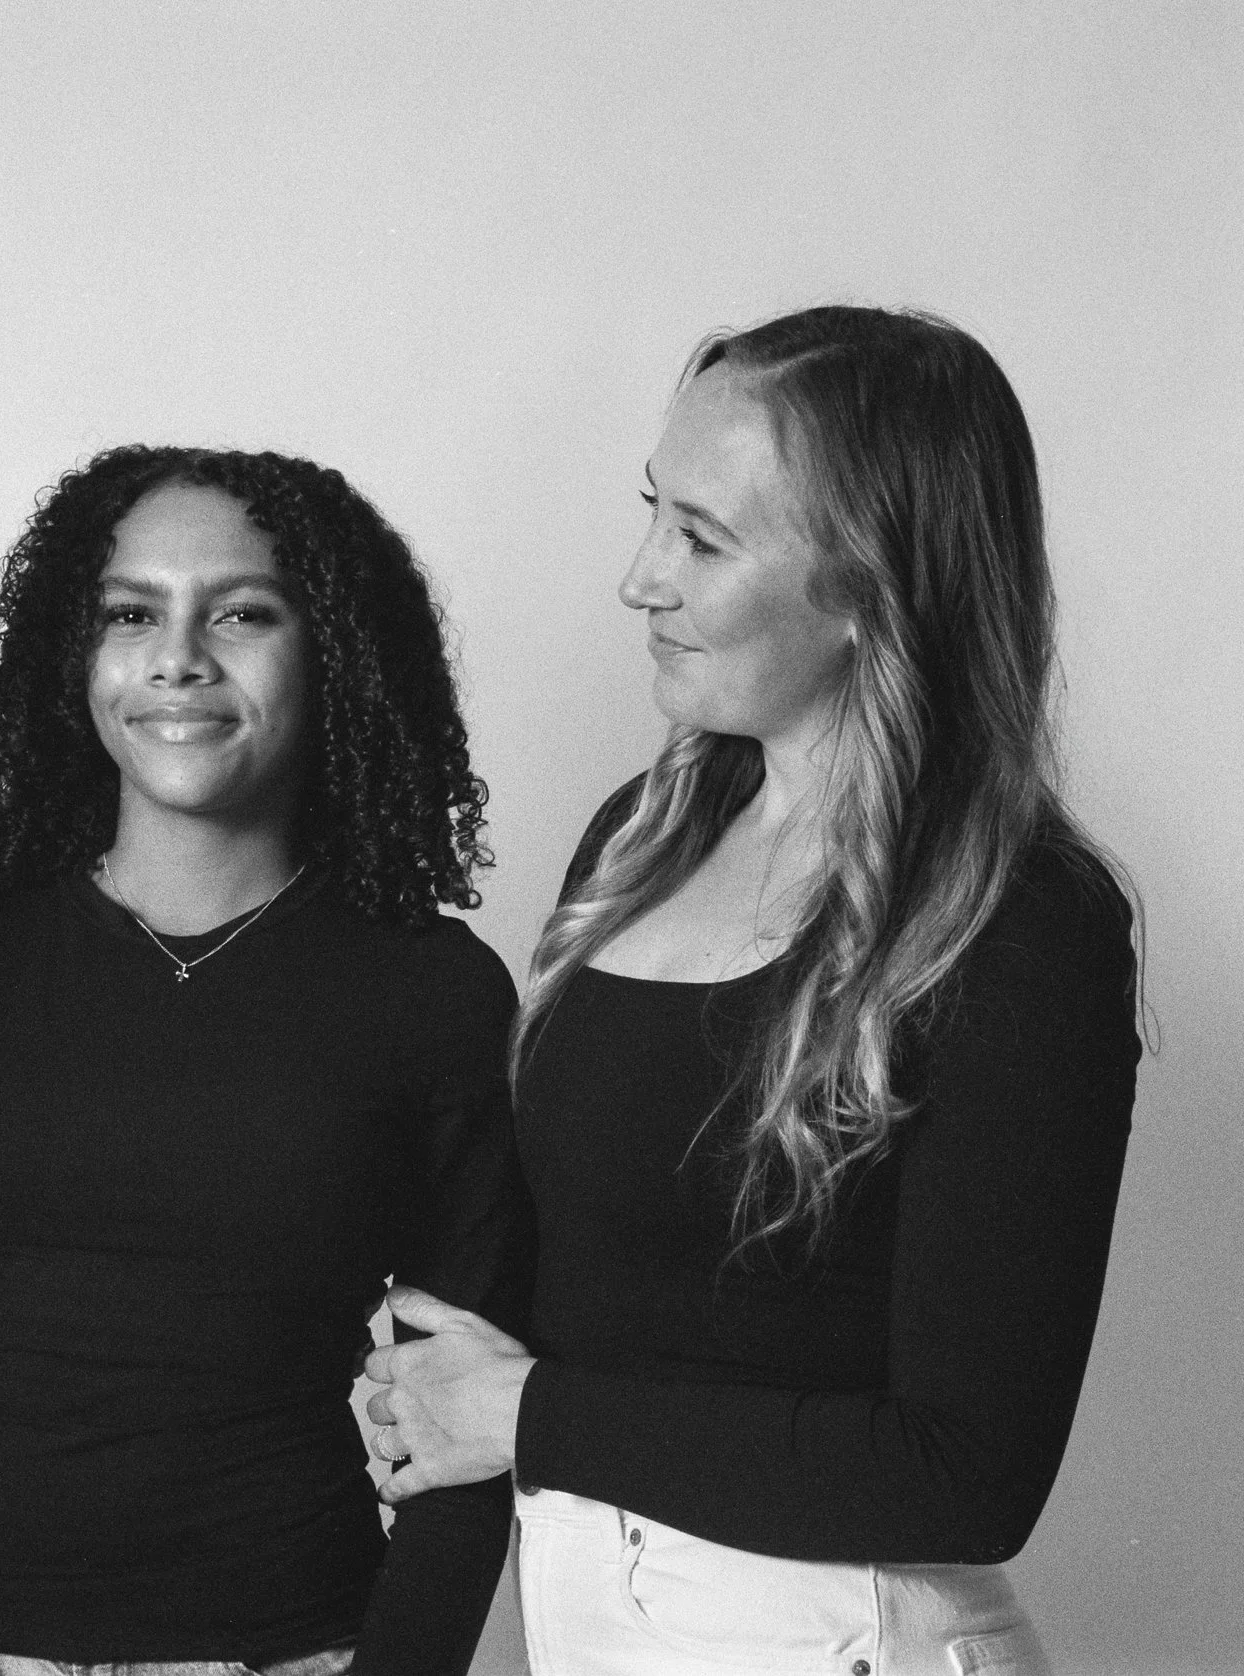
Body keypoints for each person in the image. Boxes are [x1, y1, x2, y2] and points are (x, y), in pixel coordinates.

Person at [362, 306, 1142, 1675]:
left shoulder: (1021, 927)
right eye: (653, 513)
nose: (640, 579)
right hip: (592, 1619)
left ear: (868, 588)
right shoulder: (643, 836)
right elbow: (620, 1277)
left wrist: (526, 1412)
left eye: (703, 539)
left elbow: (965, 1473)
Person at [0, 446, 531, 1676]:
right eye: (131, 613)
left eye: (241, 612)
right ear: (74, 652)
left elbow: (466, 1437)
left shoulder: (428, 991)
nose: (177, 657)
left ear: (330, 648)